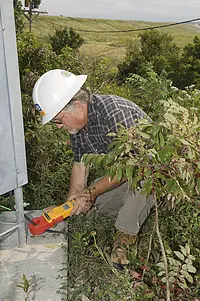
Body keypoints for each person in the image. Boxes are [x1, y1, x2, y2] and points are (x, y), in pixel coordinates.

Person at [32, 69, 154, 269]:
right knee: (90, 213)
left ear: (78, 107)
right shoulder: (77, 128)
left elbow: (128, 166)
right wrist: (67, 208)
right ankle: (124, 214)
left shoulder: (114, 113)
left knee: (142, 183)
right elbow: (80, 166)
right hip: (124, 177)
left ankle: (124, 238)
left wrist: (90, 193)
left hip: (152, 173)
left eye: (58, 120)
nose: (58, 126)